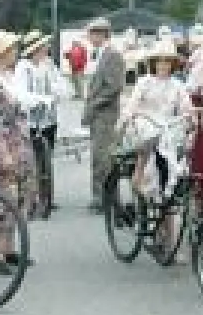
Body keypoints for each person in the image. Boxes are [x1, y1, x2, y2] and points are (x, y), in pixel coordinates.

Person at [118, 39, 192, 261]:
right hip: (146, 124)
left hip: (169, 128)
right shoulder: (144, 82)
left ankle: (170, 239)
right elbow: (133, 104)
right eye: (159, 62)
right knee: (151, 137)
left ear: (172, 64)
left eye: (167, 62)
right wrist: (129, 115)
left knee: (175, 166)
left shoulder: (178, 85)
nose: (163, 66)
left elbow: (186, 106)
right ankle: (140, 172)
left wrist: (190, 115)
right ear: (153, 63)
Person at [0, 32, 41, 274]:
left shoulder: (11, 77)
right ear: (0, 53)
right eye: (11, 49)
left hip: (20, 140)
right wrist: (1, 148)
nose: (14, 52)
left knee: (22, 194)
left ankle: (10, 249)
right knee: (3, 198)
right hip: (1, 144)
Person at [15, 34, 67, 216]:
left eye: (45, 47)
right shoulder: (23, 68)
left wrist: (55, 93)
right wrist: (38, 99)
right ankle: (31, 198)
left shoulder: (49, 65)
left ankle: (46, 196)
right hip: (30, 118)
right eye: (42, 47)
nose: (45, 49)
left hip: (48, 118)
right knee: (31, 160)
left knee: (46, 157)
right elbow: (20, 93)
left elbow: (62, 86)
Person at [82, 18, 126, 213]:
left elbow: (114, 87)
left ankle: (106, 199)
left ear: (102, 34)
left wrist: (95, 103)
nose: (90, 37)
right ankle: (100, 197)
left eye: (93, 33)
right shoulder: (101, 54)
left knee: (104, 157)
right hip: (99, 114)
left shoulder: (112, 55)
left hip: (106, 114)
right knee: (99, 156)